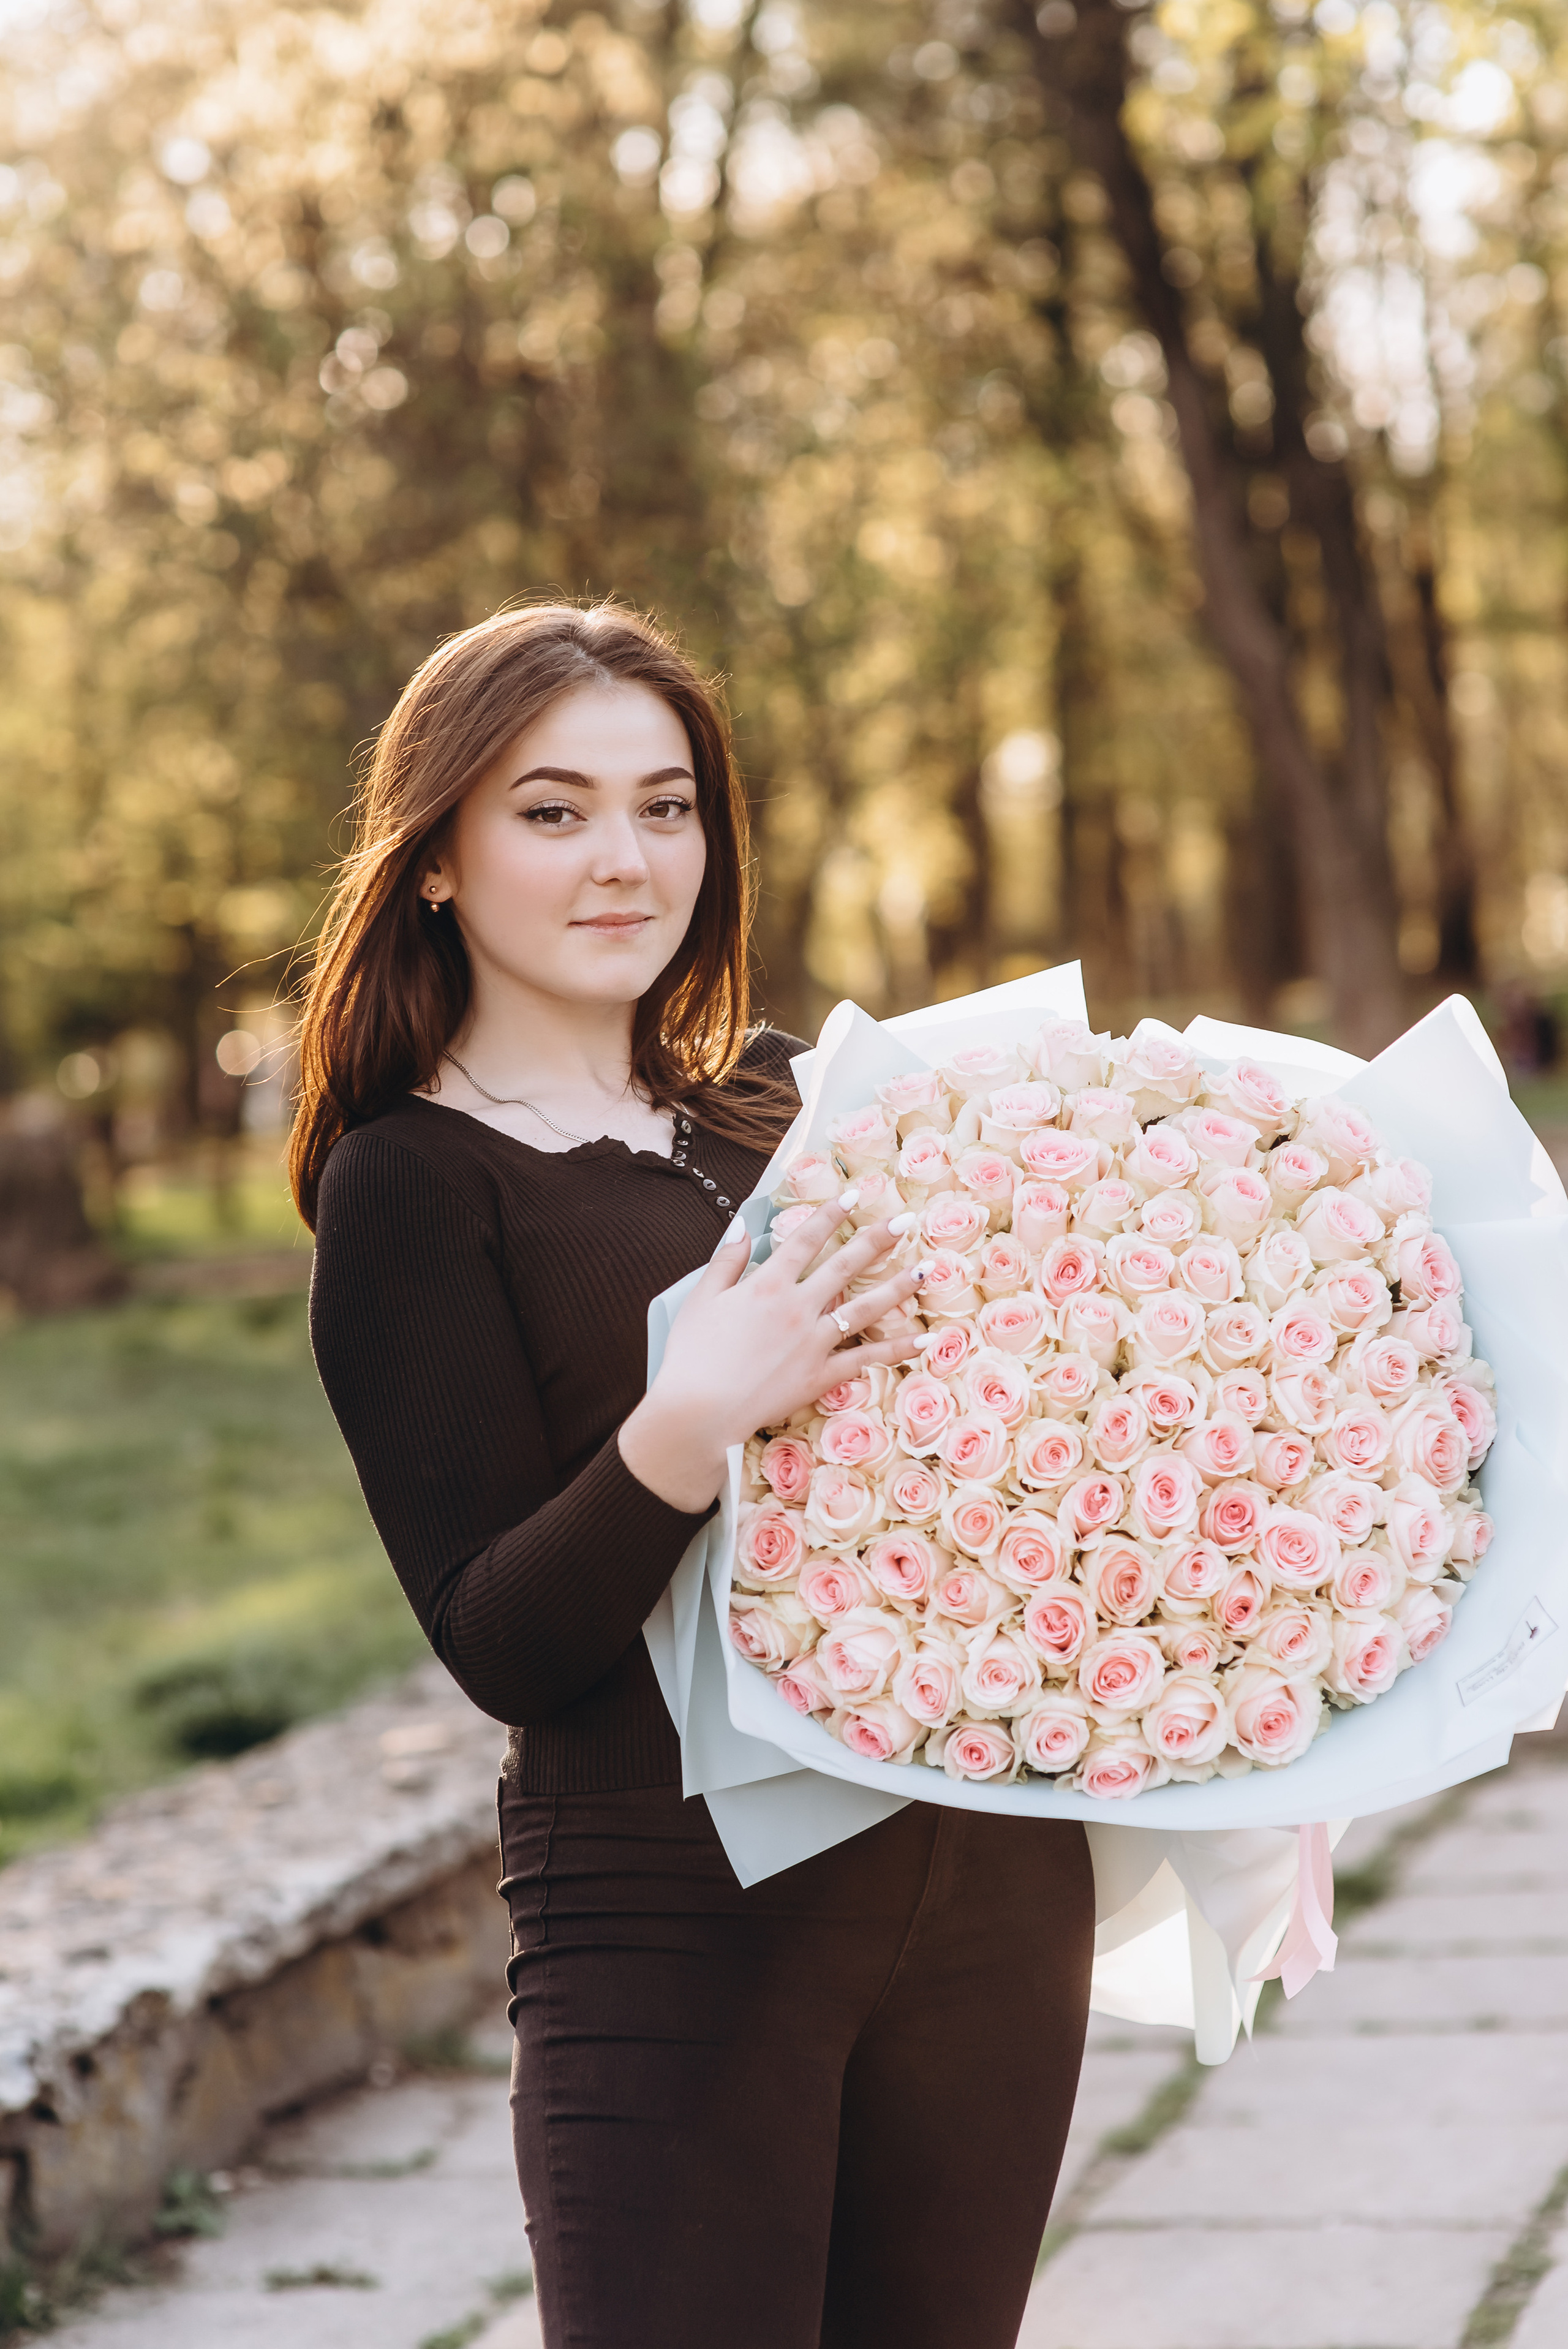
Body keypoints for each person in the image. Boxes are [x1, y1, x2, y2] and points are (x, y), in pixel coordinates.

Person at [292, 600, 1095, 2349]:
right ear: (436, 856)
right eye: (553, 809)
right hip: (677, 1928)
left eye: (667, 805)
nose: (625, 858)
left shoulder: (797, 1105)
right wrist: (688, 1422)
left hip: (991, 1895)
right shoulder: (413, 1186)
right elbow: (500, 1635)